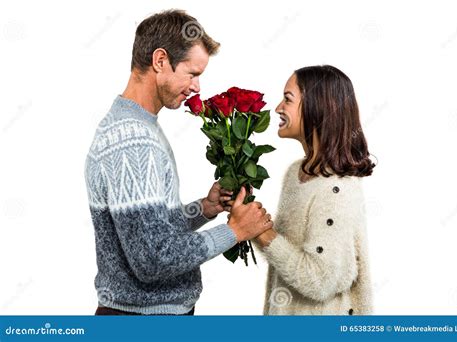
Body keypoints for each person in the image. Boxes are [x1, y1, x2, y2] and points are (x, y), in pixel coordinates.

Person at [84, 10, 273, 316]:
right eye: (192, 73)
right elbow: (153, 259)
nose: (197, 87)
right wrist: (235, 231)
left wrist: (204, 209)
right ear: (160, 61)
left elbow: (145, 231)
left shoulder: (137, 126)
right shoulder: (132, 141)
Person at [253, 65, 375, 315]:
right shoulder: (295, 173)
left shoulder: (338, 189)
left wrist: (262, 234)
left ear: (317, 108)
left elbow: (319, 279)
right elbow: (286, 256)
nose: (278, 108)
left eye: (288, 99)